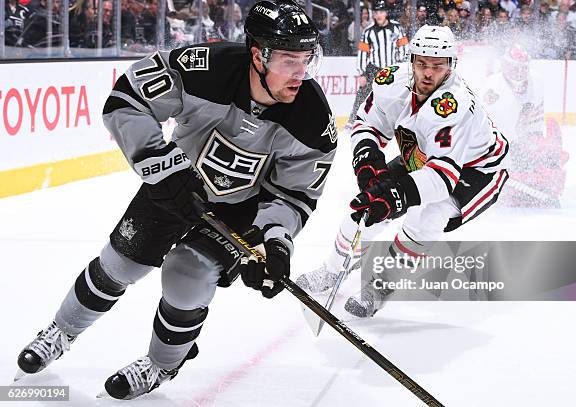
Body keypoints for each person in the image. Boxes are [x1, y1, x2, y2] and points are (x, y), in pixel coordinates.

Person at [16, 0, 336, 399]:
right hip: (174, 180)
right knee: (119, 264)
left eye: (308, 59)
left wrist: (273, 244)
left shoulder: (313, 119)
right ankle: (61, 331)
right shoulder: (205, 67)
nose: (301, 72)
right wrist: (158, 165)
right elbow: (126, 98)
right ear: (258, 54)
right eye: (290, 59)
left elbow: (294, 194)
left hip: (240, 208)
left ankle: (161, 365)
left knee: (186, 276)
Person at [297, 25, 509, 317]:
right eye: (421, 63)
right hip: (425, 156)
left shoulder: (456, 105)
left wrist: (395, 196)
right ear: (411, 61)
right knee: (364, 210)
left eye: (437, 66)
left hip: (477, 170)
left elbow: (442, 178)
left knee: (426, 217)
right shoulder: (391, 81)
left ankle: (380, 286)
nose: (428, 73)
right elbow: (365, 125)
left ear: (451, 65)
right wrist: (369, 166)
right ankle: (332, 269)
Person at [481, 45, 568, 207]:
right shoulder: (493, 86)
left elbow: (533, 119)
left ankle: (540, 182)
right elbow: (488, 125)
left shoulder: (537, 81)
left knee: (544, 154)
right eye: (515, 68)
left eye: (523, 68)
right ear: (506, 66)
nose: (520, 73)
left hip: (524, 136)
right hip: (499, 141)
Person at [346, 0, 408, 129]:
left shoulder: (397, 28)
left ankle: (402, 123)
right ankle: (352, 121)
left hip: (393, 70)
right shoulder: (368, 32)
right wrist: (362, 73)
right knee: (362, 95)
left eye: (381, 12)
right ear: (373, 14)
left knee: (399, 97)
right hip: (374, 69)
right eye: (376, 12)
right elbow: (363, 53)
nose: (379, 15)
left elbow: (404, 49)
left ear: (386, 13)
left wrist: (403, 67)